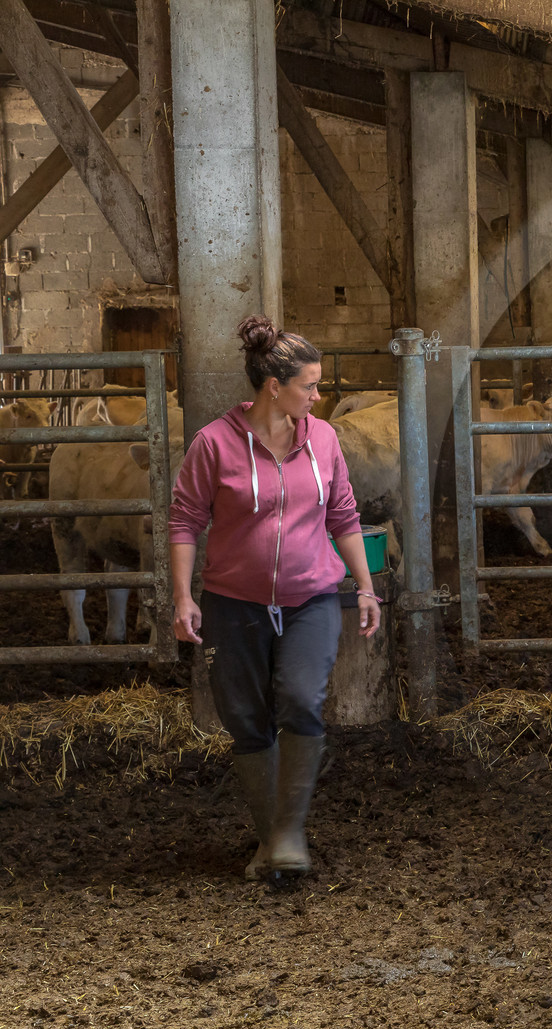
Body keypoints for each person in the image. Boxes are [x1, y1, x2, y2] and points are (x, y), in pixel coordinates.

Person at [168, 314, 380, 884]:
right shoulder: (213, 444)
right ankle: (273, 838)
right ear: (274, 387)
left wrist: (364, 585)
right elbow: (186, 520)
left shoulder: (326, 440)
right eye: (310, 385)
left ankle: (289, 832)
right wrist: (184, 596)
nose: (319, 394)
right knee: (244, 718)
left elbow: (344, 516)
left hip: (312, 597)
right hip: (233, 604)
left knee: (302, 697)